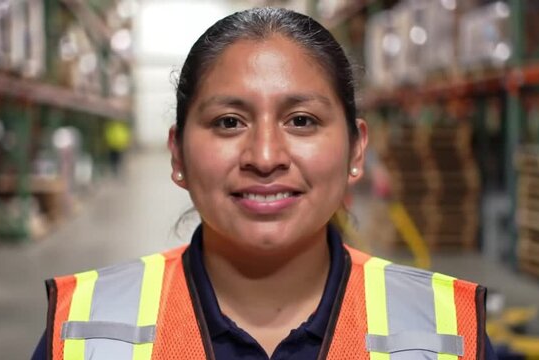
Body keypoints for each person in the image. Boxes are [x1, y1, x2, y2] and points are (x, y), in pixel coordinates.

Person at [33, 8, 496, 360]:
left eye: (301, 120)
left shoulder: (447, 334)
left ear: (356, 150)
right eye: (230, 122)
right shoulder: (85, 329)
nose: (266, 157)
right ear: (178, 155)